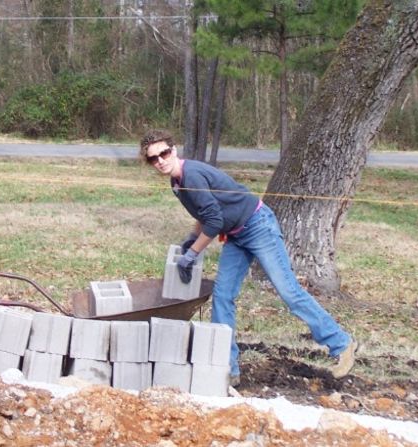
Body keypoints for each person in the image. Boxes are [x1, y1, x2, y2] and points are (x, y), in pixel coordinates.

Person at [140, 129, 357, 384]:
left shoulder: (192, 175)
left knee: (289, 291)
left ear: (174, 150)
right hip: (236, 234)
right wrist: (190, 239)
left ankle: (341, 344)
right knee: (223, 296)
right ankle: (228, 368)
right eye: (153, 159)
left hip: (257, 226)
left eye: (164, 153)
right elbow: (204, 214)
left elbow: (213, 220)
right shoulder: (177, 183)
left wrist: (193, 254)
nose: (160, 161)